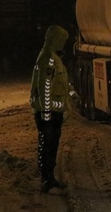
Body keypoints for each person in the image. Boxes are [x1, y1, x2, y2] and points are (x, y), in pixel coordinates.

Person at [30, 25, 72, 193]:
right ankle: (46, 179)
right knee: (47, 144)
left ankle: (49, 177)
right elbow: (45, 87)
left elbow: (60, 83)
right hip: (49, 113)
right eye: (62, 40)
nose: (64, 44)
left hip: (53, 112)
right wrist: (46, 112)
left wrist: (72, 94)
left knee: (51, 144)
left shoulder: (53, 57)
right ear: (56, 40)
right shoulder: (49, 59)